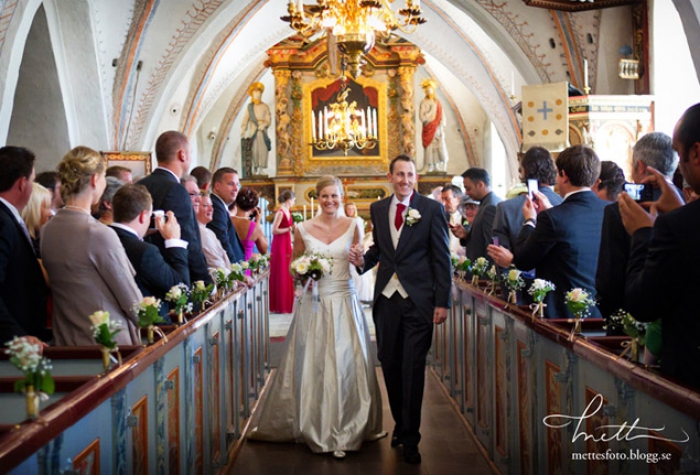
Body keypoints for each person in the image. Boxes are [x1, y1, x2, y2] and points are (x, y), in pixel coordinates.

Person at [249, 176, 385, 459]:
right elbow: (292, 265)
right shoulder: (302, 228)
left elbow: (359, 261)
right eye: (324, 196)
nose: (330, 201)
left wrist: (359, 257)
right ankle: (316, 424)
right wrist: (302, 270)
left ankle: (348, 426)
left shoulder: (355, 225)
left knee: (347, 362)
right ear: (317, 198)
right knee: (315, 362)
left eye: (334, 196)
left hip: (345, 301)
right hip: (315, 304)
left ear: (342, 196)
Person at [350, 155, 451, 465]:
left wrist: (441, 301)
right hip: (387, 300)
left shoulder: (432, 209)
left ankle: (411, 437)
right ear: (390, 176)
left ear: (415, 177)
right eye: (400, 174)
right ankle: (400, 424)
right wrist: (362, 261)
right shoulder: (379, 209)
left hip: (419, 301)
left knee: (412, 368)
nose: (405, 180)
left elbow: (441, 257)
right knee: (390, 364)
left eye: (410, 174)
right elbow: (380, 249)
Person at [618, 103, 700, 387]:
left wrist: (643, 234)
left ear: (696, 153)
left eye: (680, 153)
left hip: (691, 381)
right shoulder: (681, 222)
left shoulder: (675, 227)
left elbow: (643, 304)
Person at [42, 146, 142, 346]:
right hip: (108, 343)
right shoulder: (98, 234)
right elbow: (132, 302)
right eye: (104, 176)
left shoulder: (47, 230)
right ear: (96, 180)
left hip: (66, 341)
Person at [512, 145, 607, 320]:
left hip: (564, 318)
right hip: (603, 313)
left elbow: (523, 260)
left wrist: (530, 221)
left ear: (563, 175)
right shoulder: (611, 211)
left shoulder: (553, 218)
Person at [595, 132, 678, 320]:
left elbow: (608, 283)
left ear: (639, 166)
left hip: (629, 325)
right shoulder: (687, 206)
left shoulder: (620, 211)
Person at [137, 131, 213, 285]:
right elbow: (187, 238)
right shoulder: (175, 189)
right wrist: (205, 282)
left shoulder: (140, 185)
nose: (190, 158)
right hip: (175, 276)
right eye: (190, 153)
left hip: (146, 273)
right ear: (182, 155)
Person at [0, 146, 50, 345]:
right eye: (32, 180)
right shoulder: (2, 223)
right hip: (12, 344)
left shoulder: (7, 218)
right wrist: (17, 336)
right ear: (22, 183)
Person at [110, 184, 190, 306]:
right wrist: (174, 241)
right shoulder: (146, 252)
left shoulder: (101, 238)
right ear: (143, 216)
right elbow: (181, 289)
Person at [488, 147, 563, 269]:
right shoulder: (565, 204)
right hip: (559, 282)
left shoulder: (505, 208)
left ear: (523, 171)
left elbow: (498, 249)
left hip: (518, 281)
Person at [450, 168, 502, 263]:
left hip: (485, 272)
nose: (466, 193)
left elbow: (492, 247)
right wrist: (466, 235)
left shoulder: (490, 207)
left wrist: (487, 275)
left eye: (468, 188)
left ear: (480, 185)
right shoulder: (487, 203)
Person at [208, 167, 245, 263]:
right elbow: (222, 241)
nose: (236, 189)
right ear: (217, 186)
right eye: (231, 184)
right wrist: (235, 269)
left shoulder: (220, 206)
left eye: (237, 184)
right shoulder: (215, 207)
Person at [269, 190, 295, 314]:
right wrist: (289, 228)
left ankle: (286, 304)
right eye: (294, 200)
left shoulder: (287, 211)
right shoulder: (280, 212)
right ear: (289, 200)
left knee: (287, 271)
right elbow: (274, 230)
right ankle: (280, 305)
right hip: (280, 244)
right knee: (281, 271)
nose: (294, 202)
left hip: (286, 242)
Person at [344, 202, 374, 302]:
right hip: (345, 246)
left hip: (355, 246)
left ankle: (358, 295)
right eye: (348, 209)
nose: (350, 211)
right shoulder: (343, 221)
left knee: (357, 271)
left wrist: (358, 248)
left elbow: (360, 236)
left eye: (352, 209)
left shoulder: (358, 220)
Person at [241, 82, 272, 175]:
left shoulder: (265, 107)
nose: (257, 94)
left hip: (263, 131)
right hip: (253, 131)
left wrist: (264, 124)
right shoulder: (250, 107)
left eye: (258, 92)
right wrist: (243, 129)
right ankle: (255, 167)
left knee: (263, 150)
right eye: (255, 92)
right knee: (254, 150)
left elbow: (268, 118)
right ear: (252, 94)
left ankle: (262, 168)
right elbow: (245, 119)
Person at [419, 79, 448, 173]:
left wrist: (442, 125)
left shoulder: (437, 102)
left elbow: (442, 115)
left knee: (438, 147)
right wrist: (430, 115)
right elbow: (422, 117)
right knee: (429, 147)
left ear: (433, 90)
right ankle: (429, 165)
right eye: (427, 90)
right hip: (428, 127)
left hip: (437, 128)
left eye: (430, 90)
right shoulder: (424, 102)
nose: (429, 92)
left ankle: (436, 165)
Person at [197, 193, 231, 270]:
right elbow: (215, 263)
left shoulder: (209, 231)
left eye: (211, 206)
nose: (211, 209)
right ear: (195, 207)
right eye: (205, 205)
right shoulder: (201, 232)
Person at [232, 187, 268, 260]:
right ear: (253, 209)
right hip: (245, 267)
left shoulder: (227, 220)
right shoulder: (254, 227)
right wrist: (258, 221)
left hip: (227, 266)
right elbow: (264, 250)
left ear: (236, 204)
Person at [20, 182, 53, 257]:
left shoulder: (40, 239)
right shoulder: (20, 244)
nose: (50, 213)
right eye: (47, 207)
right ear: (33, 209)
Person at [440, 184, 464, 254]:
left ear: (458, 199)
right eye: (442, 199)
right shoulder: (442, 217)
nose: (443, 203)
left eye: (447, 199)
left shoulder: (467, 217)